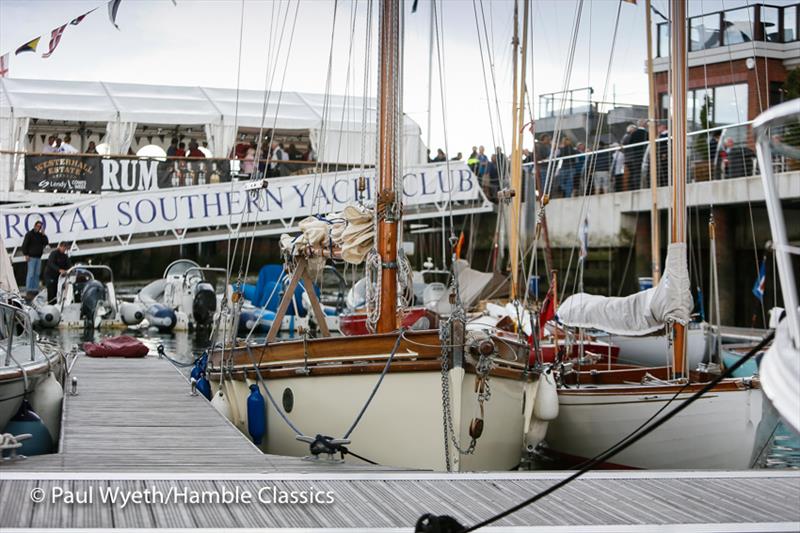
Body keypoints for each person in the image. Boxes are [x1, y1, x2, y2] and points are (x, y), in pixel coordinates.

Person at [20, 221, 48, 298]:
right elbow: (24, 245)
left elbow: (46, 242)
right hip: (31, 257)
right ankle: (29, 289)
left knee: (37, 274)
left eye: (40, 227)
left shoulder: (40, 235)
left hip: (38, 257)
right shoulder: (29, 234)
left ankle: (35, 289)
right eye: (37, 226)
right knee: (31, 274)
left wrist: (43, 234)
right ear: (34, 226)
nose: (38, 228)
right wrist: (26, 254)